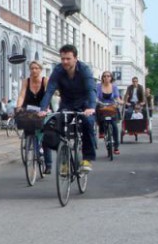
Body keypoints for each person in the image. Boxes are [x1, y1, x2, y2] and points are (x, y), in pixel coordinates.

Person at [38, 44, 97, 172]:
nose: (64, 61)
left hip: (84, 104)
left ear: (75, 58)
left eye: (68, 58)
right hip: (67, 104)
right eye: (63, 58)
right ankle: (64, 157)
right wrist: (43, 108)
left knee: (87, 123)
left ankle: (87, 158)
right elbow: (49, 91)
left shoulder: (84, 70)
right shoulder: (58, 71)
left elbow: (91, 90)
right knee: (54, 126)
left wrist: (91, 107)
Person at [15, 60, 53, 174]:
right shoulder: (26, 81)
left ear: (40, 70)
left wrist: (45, 109)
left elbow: (48, 95)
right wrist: (18, 107)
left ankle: (49, 164)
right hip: (30, 110)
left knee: (45, 136)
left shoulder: (45, 80)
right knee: (31, 132)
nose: (34, 70)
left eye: (36, 68)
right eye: (32, 68)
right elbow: (22, 95)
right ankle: (34, 152)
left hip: (43, 110)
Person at [96, 71, 122, 155]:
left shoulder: (114, 87)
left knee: (114, 126)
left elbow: (117, 98)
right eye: (104, 76)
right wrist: (96, 101)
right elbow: (96, 97)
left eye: (108, 76)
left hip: (111, 107)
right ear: (102, 78)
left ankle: (116, 147)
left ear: (111, 78)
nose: (106, 78)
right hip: (102, 106)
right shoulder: (98, 86)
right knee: (100, 117)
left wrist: (120, 102)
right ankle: (101, 131)